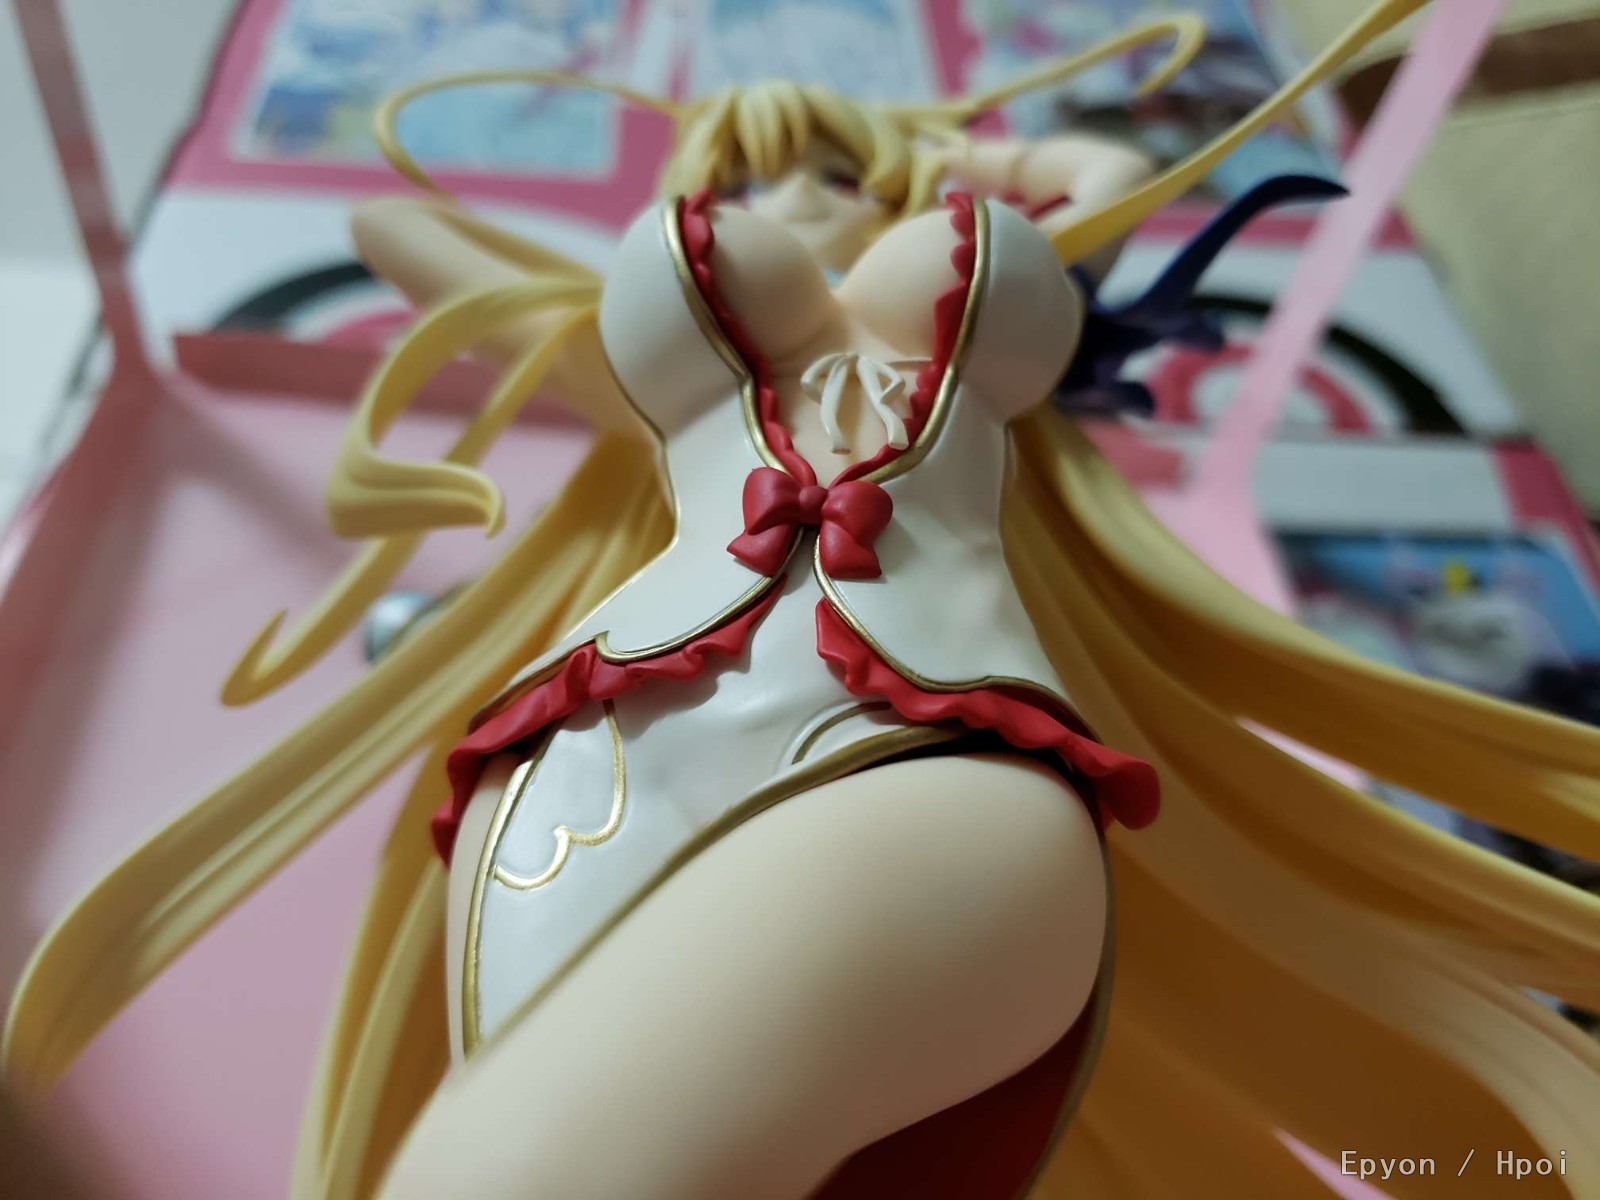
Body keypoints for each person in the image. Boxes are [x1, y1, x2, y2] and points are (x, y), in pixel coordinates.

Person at [8, 2, 1600, 1197]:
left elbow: (1109, 175)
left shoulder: (987, 348)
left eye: (837, 168)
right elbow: (390, 228)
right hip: (582, 775)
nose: (806, 195)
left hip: (933, 762)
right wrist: (602, 266)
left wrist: (969, 165)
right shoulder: (651, 370)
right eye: (751, 181)